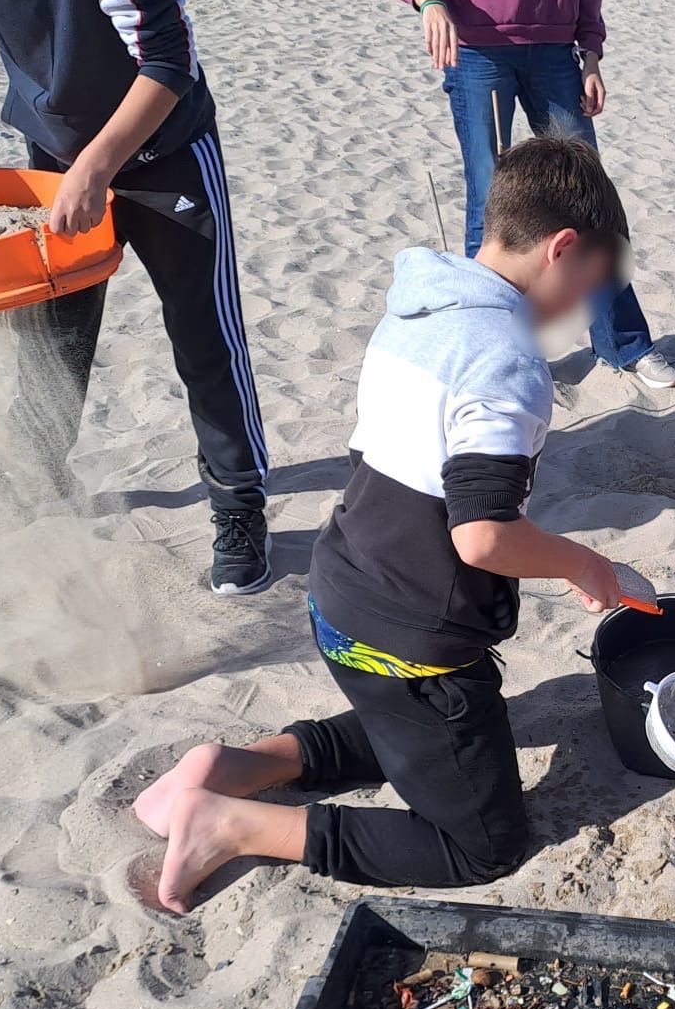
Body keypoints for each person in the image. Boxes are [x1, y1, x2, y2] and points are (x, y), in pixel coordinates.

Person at [134, 138, 638, 913]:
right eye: (588, 287)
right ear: (561, 249)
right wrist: (584, 565)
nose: (582, 309)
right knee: (481, 845)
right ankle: (231, 822)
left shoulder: (423, 301)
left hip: (340, 594)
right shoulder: (506, 359)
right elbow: (483, 536)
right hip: (409, 641)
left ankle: (237, 764)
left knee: (422, 732)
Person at [0, 0, 274, 595]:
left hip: (165, 153)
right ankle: (37, 480)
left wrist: (98, 166)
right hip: (56, 152)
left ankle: (240, 513)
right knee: (54, 334)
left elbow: (171, 60)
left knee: (205, 338)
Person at [369, 0, 675, 390]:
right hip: (476, 51)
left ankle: (624, 343)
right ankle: (495, 346)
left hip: (558, 52)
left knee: (591, 199)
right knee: (490, 203)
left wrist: (590, 51)